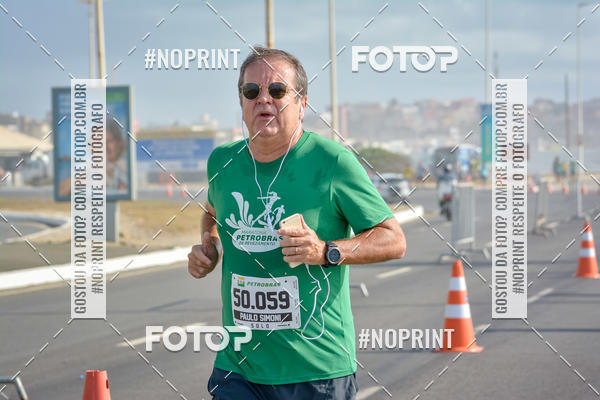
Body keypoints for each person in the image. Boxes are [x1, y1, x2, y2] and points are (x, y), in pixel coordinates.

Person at [188, 47, 406, 400]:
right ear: (241, 102)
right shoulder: (223, 162)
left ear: (302, 103)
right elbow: (212, 210)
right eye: (251, 91)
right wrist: (209, 245)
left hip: (315, 371)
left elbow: (393, 239)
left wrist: (325, 251)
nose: (263, 99)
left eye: (277, 90)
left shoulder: (333, 162)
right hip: (238, 368)